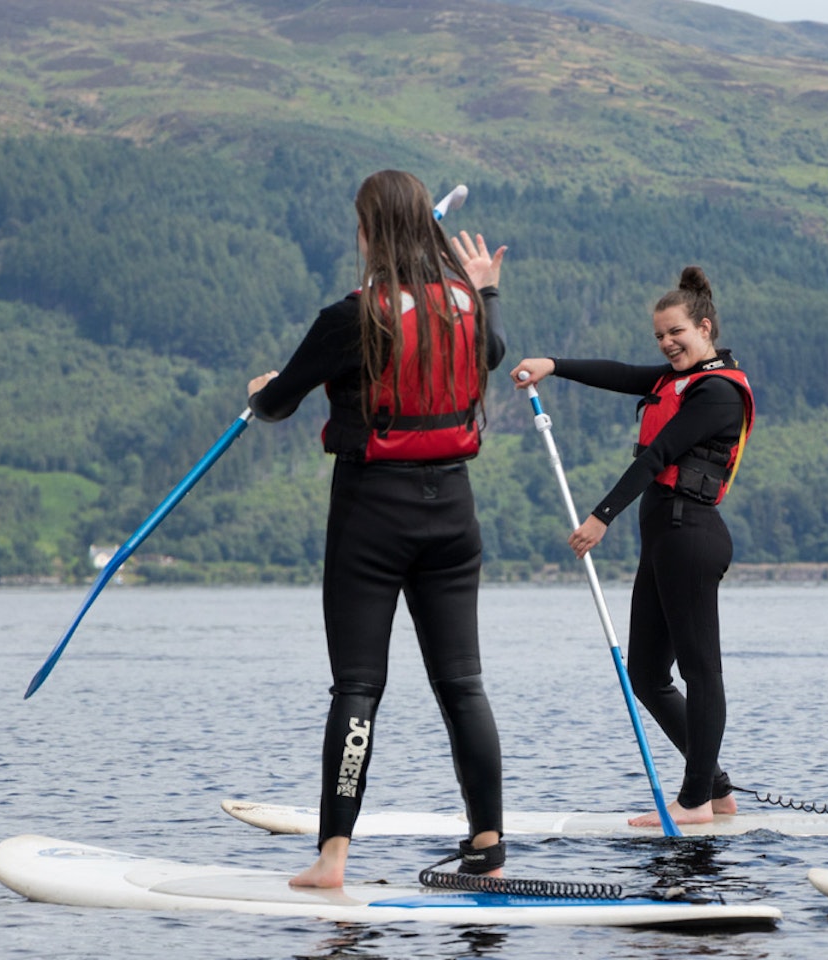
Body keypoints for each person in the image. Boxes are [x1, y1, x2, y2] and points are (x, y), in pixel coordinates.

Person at [248, 169, 508, 887]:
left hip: (373, 514)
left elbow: (278, 404)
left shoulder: (353, 317)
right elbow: (494, 349)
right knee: (463, 684)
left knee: (358, 686)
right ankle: (487, 841)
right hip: (454, 514)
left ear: (370, 232)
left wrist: (260, 391)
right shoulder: (466, 307)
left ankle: (333, 857)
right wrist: (482, 286)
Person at [510, 266, 754, 828]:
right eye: (660, 337)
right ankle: (715, 786)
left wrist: (600, 517)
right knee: (646, 674)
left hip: (692, 537)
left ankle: (693, 802)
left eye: (677, 334)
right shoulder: (677, 380)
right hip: (664, 539)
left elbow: (656, 456)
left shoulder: (717, 392)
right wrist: (553, 365)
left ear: (705, 328)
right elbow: (620, 374)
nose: (668, 344)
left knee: (701, 671)